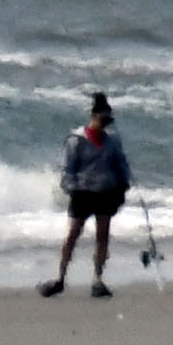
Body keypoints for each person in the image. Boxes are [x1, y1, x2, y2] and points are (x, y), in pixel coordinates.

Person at [44, 91, 133, 297]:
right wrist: (72, 188)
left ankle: (98, 279)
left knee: (102, 236)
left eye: (108, 119)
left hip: (106, 192)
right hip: (83, 193)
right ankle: (60, 278)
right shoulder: (76, 140)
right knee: (72, 235)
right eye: (103, 118)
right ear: (93, 116)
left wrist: (123, 184)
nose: (105, 123)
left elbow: (121, 165)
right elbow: (68, 169)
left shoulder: (112, 142)